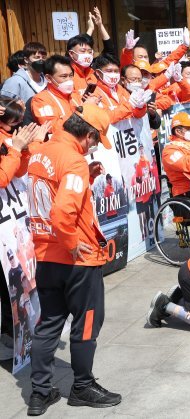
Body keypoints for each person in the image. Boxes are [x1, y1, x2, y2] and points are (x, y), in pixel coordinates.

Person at [26, 105, 121, 416]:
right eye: (96, 140)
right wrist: (72, 243)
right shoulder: (74, 160)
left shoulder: (42, 150)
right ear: (88, 134)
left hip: (44, 255)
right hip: (75, 259)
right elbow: (62, 212)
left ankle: (39, 393)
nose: (95, 146)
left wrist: (86, 179)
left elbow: (58, 196)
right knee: (87, 323)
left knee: (49, 322)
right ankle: (82, 386)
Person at [31, 55, 88, 133]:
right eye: (64, 76)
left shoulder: (75, 95)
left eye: (71, 75)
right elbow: (52, 127)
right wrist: (82, 109)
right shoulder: (40, 99)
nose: (69, 80)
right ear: (48, 78)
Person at [0, 97, 47, 187]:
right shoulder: (4, 141)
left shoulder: (15, 137)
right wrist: (17, 149)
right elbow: (2, 180)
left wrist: (25, 149)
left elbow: (19, 172)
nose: (19, 124)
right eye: (14, 122)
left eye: (21, 120)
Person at [92, 54, 149, 123]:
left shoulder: (122, 90)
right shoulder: (94, 93)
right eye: (109, 71)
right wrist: (130, 105)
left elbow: (136, 116)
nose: (113, 74)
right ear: (98, 73)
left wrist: (140, 108)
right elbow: (105, 118)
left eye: (116, 71)